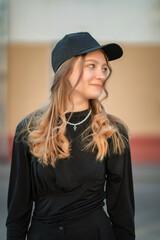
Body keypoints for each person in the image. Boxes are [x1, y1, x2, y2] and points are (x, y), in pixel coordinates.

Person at [6, 32, 135, 240]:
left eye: (104, 68)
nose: (102, 75)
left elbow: (122, 211)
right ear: (66, 71)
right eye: (91, 66)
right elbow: (17, 213)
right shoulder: (28, 130)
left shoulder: (113, 131)